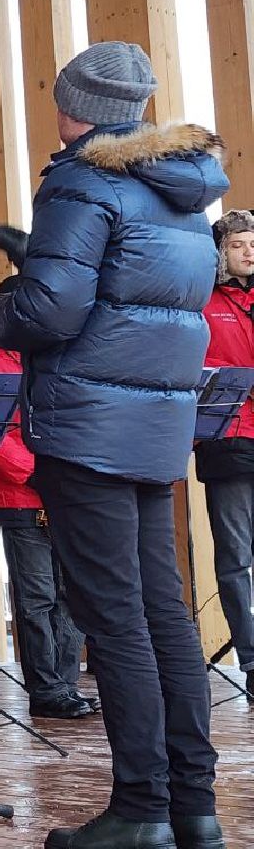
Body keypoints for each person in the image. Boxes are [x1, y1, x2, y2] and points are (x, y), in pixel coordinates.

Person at [0, 42, 227, 849]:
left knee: (113, 619)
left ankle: (141, 808)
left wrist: (2, 302)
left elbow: (50, 314)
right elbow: (142, 295)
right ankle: (193, 804)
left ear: (71, 106)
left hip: (85, 426)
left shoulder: (81, 177)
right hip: (156, 430)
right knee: (166, 616)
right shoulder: (185, 193)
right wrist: (43, 261)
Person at [0, 227, 95, 721]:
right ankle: (45, 689)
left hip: (61, 492)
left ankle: (66, 684)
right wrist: (36, 472)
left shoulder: (55, 358)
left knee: (68, 593)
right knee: (36, 595)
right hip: (20, 495)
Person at [197, 209, 254, 698]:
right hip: (230, 437)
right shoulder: (203, 301)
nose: (249, 252)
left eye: (253, 243)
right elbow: (199, 365)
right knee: (236, 558)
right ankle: (253, 662)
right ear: (220, 252)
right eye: (238, 244)